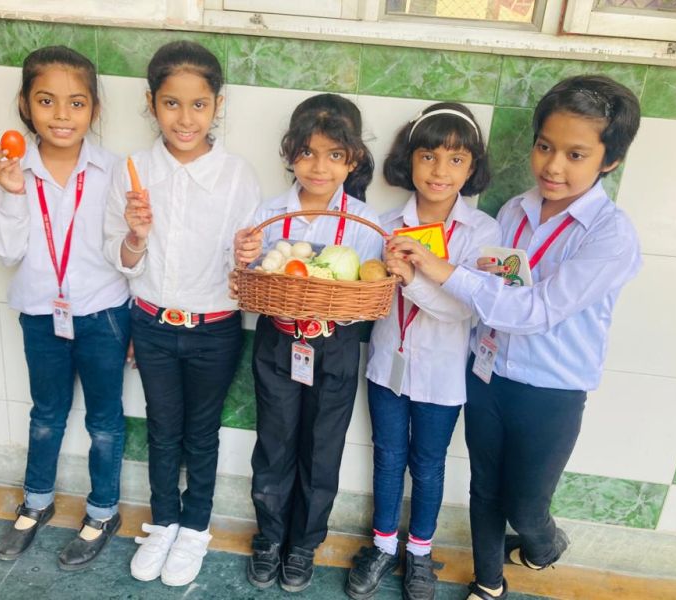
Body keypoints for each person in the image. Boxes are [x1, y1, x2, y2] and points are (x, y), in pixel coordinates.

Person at [389, 75, 642, 600]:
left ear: (610, 160)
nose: (553, 166)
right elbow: (491, 289)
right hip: (488, 373)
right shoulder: (514, 212)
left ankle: (543, 544)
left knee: (526, 506)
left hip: (551, 389)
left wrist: (440, 271)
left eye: (575, 154)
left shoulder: (611, 235)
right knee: (484, 490)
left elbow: (537, 310)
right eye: (545, 147)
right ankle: (489, 583)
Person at [103, 40, 261, 587]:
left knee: (201, 434)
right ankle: (164, 521)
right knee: (162, 429)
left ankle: (195, 528)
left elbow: (248, 270)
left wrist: (246, 258)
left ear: (218, 105)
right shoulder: (133, 170)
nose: (185, 118)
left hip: (215, 330)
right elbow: (120, 260)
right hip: (151, 325)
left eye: (199, 104)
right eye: (171, 103)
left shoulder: (238, 176)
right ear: (151, 103)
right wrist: (135, 235)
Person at [0, 46, 130, 569]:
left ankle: (103, 511)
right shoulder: (10, 169)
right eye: (46, 101)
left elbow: (127, 250)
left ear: (94, 109)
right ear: (25, 104)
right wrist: (13, 192)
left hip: (105, 314)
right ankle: (36, 502)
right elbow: (5, 252)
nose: (62, 115)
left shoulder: (113, 170)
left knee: (105, 421)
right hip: (41, 314)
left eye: (76, 103)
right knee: (46, 415)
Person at [345, 103, 500, 600]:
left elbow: (463, 310)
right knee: (388, 457)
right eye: (428, 156)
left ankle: (419, 552)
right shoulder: (385, 224)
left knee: (429, 464)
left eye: (456, 160)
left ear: (472, 168)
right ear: (409, 160)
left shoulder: (482, 232)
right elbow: (368, 291)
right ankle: (383, 546)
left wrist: (412, 278)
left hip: (443, 374)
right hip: (386, 364)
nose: (440, 171)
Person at [233, 93, 383, 593]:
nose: (319, 167)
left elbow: (370, 289)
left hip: (335, 347)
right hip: (278, 343)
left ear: (353, 160)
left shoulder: (365, 224)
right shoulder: (269, 214)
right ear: (289, 153)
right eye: (307, 153)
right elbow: (249, 280)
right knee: (274, 444)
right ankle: (270, 537)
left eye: (335, 155)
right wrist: (244, 258)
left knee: (323, 449)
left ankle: (303, 544)